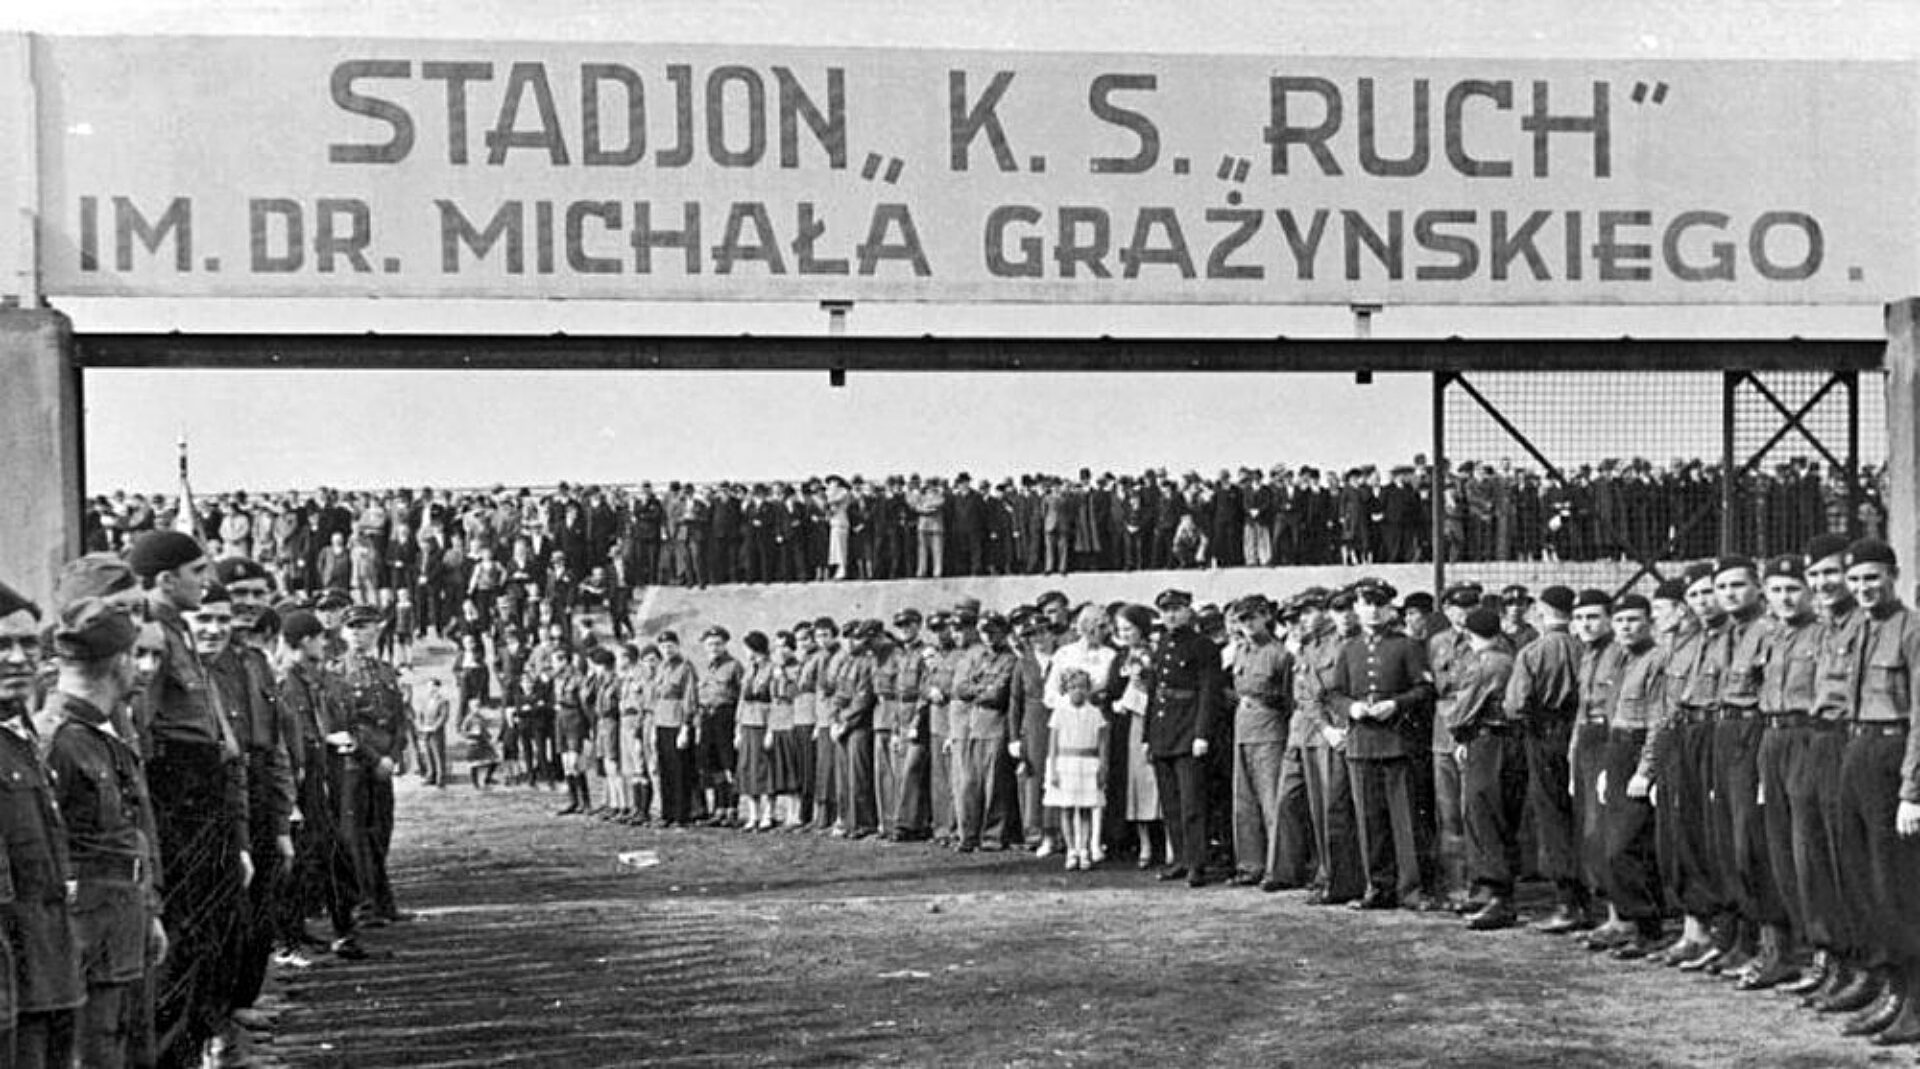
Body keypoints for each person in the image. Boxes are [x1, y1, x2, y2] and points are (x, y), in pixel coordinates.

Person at [128, 530, 252, 1069]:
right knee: (185, 932)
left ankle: (198, 1037)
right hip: (179, 791)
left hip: (201, 786)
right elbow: (141, 727)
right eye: (198, 571)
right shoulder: (152, 633)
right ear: (165, 579)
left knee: (207, 927)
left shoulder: (176, 627)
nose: (207, 581)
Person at [0, 580, 84, 1069]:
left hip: (47, 964)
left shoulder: (21, 730)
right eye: (2, 645)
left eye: (28, 644)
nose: (17, 658)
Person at [1329, 577, 1434, 910]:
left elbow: (1424, 689)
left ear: (1390, 609)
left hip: (1397, 740)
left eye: (1379, 604)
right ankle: (1379, 887)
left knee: (1404, 819)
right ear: (1357, 609)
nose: (1372, 611)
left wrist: (1396, 705)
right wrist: (1352, 708)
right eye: (1366, 604)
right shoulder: (1348, 649)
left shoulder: (1406, 646)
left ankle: (1412, 889)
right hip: (1361, 742)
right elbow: (1334, 693)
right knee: (1369, 820)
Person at [1503, 584, 1589, 932]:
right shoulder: (1587, 648)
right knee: (1584, 815)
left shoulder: (1533, 651)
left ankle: (1568, 903)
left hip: (1544, 733)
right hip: (1583, 732)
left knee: (1552, 816)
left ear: (1542, 610)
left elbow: (1515, 705)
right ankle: (1588, 898)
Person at [1449, 606, 1524, 930]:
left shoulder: (1484, 664)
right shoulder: (1508, 656)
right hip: (1501, 741)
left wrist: (1456, 732)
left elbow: (1461, 711)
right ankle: (1488, 890)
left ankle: (1498, 896)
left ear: (1468, 633)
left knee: (1486, 813)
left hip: (1489, 741)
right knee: (1492, 813)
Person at [336, 603, 412, 927]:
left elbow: (398, 719)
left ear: (376, 630)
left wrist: (393, 756)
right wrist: (375, 758)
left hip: (384, 763)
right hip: (355, 763)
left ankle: (383, 902)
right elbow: (342, 724)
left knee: (381, 830)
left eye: (364, 626)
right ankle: (364, 905)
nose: (357, 633)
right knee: (356, 835)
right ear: (342, 633)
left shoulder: (385, 671)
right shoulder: (337, 672)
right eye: (352, 627)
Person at [1144, 589, 1224, 887]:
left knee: (1192, 804)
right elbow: (1154, 693)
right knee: (1171, 803)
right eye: (1166, 611)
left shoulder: (1203, 646)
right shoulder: (1163, 644)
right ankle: (1179, 858)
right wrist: (1146, 736)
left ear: (1189, 611)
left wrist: (1202, 733)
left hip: (1189, 732)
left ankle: (1197, 863)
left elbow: (1208, 693)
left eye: (1177, 609)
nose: (1171, 615)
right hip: (1163, 733)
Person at [1227, 595, 1294, 890]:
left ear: (1266, 616)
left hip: (1270, 730)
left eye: (1253, 617)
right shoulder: (1240, 652)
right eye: (1242, 620)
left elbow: (1288, 698)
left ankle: (1275, 868)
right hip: (1243, 729)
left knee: (1271, 803)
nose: (1248, 625)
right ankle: (1249, 865)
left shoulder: (1280, 654)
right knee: (1244, 802)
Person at [1044, 668, 1108, 871]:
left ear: (1088, 689)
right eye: (1072, 687)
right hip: (1066, 763)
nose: (1077, 691)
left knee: (1087, 808)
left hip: (1088, 763)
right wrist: (1053, 769)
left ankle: (1084, 849)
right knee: (1067, 808)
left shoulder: (1095, 713)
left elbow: (1103, 744)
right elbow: (1052, 744)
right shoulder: (1060, 712)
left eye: (1081, 687)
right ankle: (1071, 850)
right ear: (1066, 690)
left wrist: (1103, 767)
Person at [735, 632, 777, 831]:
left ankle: (768, 814)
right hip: (748, 724)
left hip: (763, 722)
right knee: (748, 769)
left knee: (764, 769)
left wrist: (771, 730)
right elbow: (742, 701)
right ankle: (753, 814)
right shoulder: (749, 670)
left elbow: (775, 701)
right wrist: (738, 729)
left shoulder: (772, 669)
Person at [414, 677, 452, 788]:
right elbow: (420, 714)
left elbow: (443, 716)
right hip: (425, 731)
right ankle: (430, 775)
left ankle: (440, 778)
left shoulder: (443, 701)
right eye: (428, 686)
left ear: (437, 687)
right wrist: (420, 726)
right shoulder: (424, 700)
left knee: (438, 754)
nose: (430, 689)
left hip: (436, 732)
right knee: (428, 753)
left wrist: (435, 727)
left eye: (432, 686)